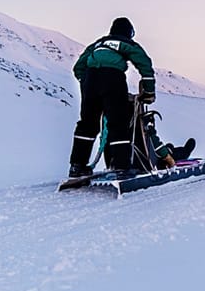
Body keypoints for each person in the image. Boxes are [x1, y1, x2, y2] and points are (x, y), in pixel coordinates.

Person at [67, 17, 174, 177]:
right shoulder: (126, 43)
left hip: (90, 79)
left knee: (87, 124)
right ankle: (122, 167)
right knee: (119, 122)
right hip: (112, 77)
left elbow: (78, 68)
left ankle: (77, 166)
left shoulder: (97, 44)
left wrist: (89, 84)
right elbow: (144, 64)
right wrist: (149, 92)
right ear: (129, 33)